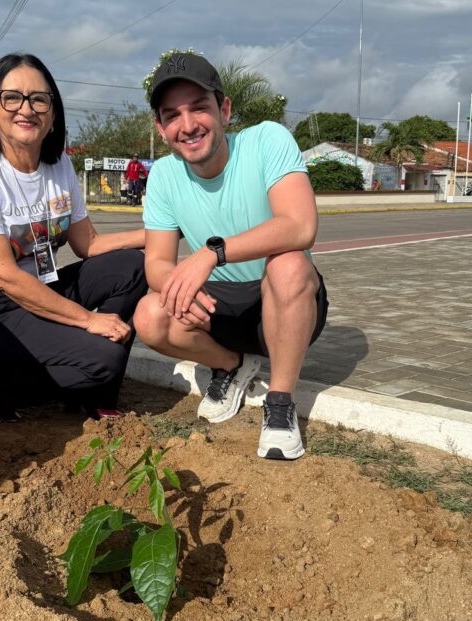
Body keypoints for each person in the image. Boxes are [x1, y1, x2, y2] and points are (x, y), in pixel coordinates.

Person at [133, 53, 328, 460]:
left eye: (198, 108)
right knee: (149, 314)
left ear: (224, 110)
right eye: (172, 115)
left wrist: (212, 253)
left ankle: (280, 403)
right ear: (161, 128)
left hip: (283, 300)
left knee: (289, 262)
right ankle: (230, 365)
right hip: (218, 309)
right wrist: (178, 288)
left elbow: (300, 225)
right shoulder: (163, 176)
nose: (188, 125)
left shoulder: (267, 140)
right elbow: (157, 264)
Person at [0, 53, 147, 422]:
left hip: (41, 287)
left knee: (133, 266)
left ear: (53, 116)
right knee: (105, 358)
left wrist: (157, 234)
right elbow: (3, 275)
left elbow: (88, 245)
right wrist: (87, 321)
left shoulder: (59, 165)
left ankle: (97, 394)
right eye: (12, 98)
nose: (27, 109)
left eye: (39, 99)